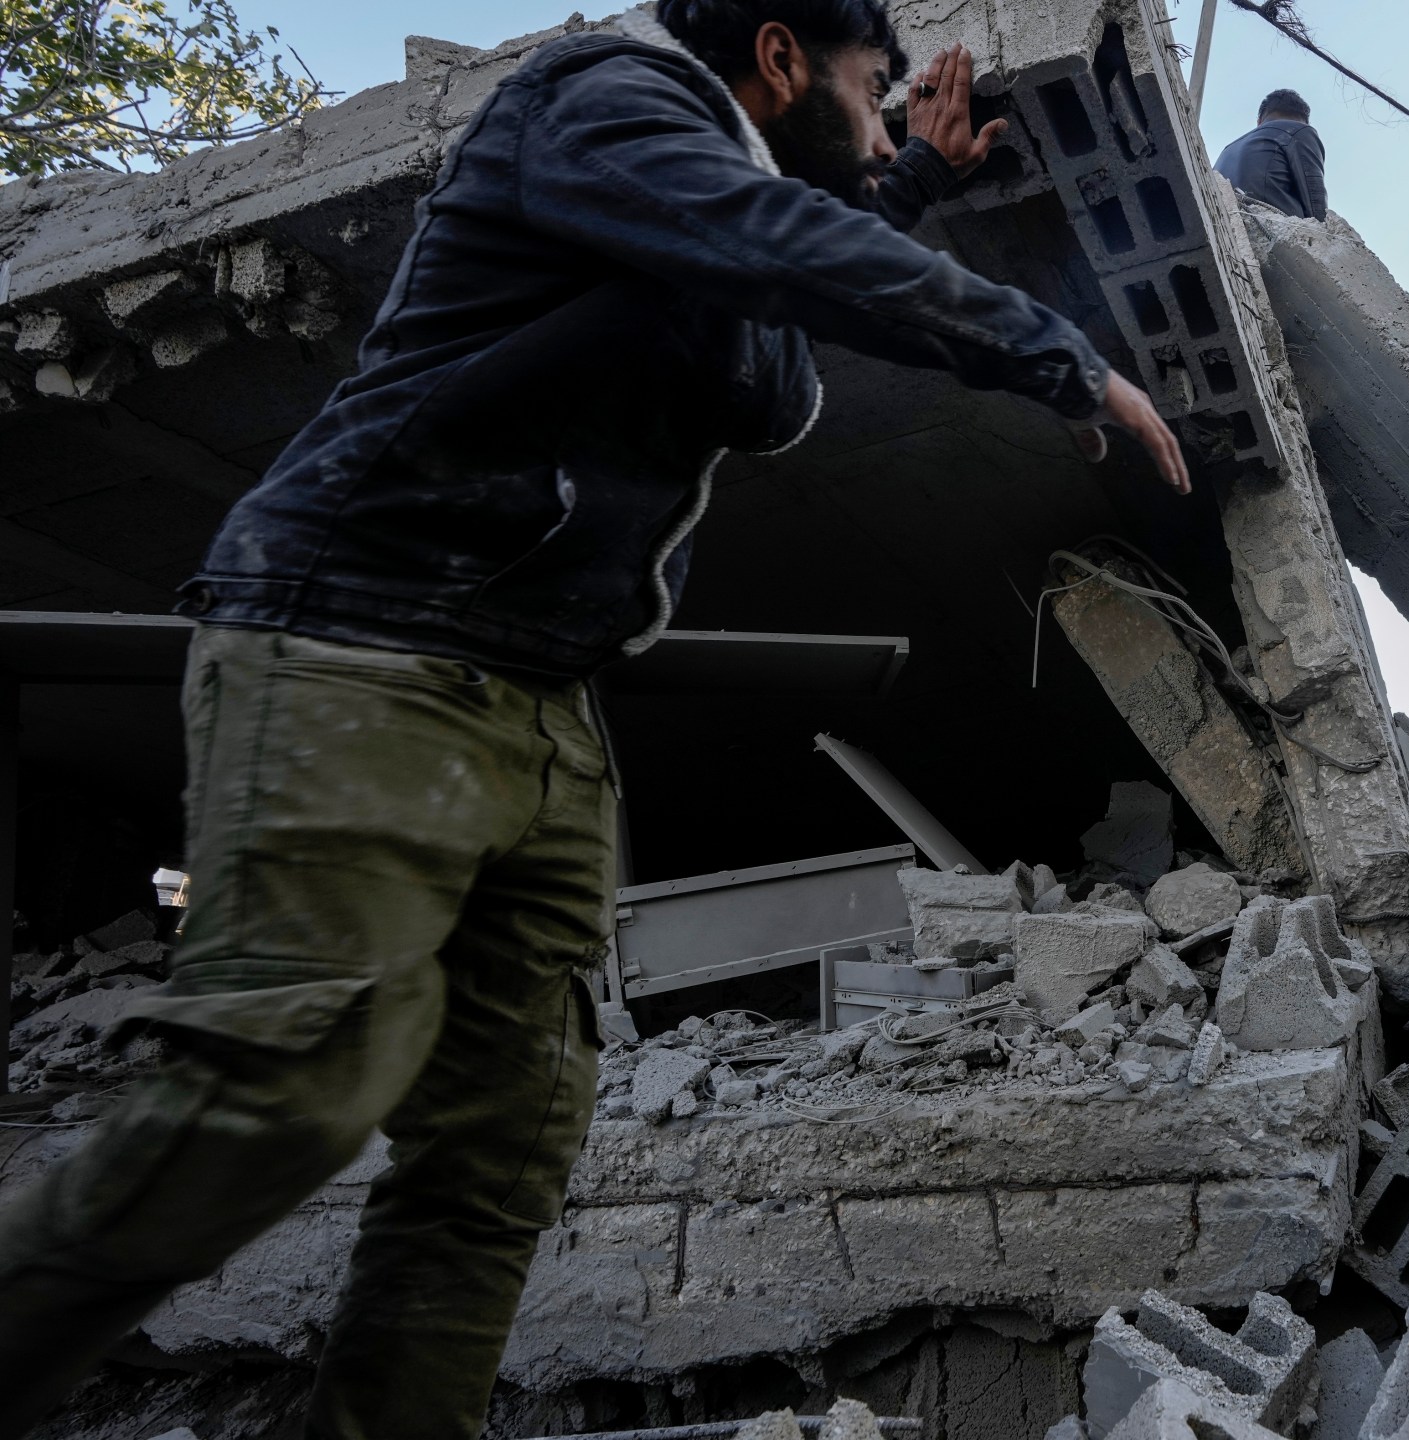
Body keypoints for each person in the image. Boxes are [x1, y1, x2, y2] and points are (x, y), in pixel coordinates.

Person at [0, 1, 1188, 1433]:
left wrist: (911, 183)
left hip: (543, 703)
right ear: (776, 56)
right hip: (367, 637)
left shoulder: (708, 215)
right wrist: (1058, 355)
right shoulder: (604, 98)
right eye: (875, 96)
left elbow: (767, 321)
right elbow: (772, 240)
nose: (887, 131)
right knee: (282, 1099)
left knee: (500, 1159)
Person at [1213, 88, 1327, 220]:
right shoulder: (1301, 131)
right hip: (1272, 229)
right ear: (1304, 120)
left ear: (1259, 122)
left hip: (1226, 226)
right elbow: (1316, 207)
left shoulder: (1227, 150)